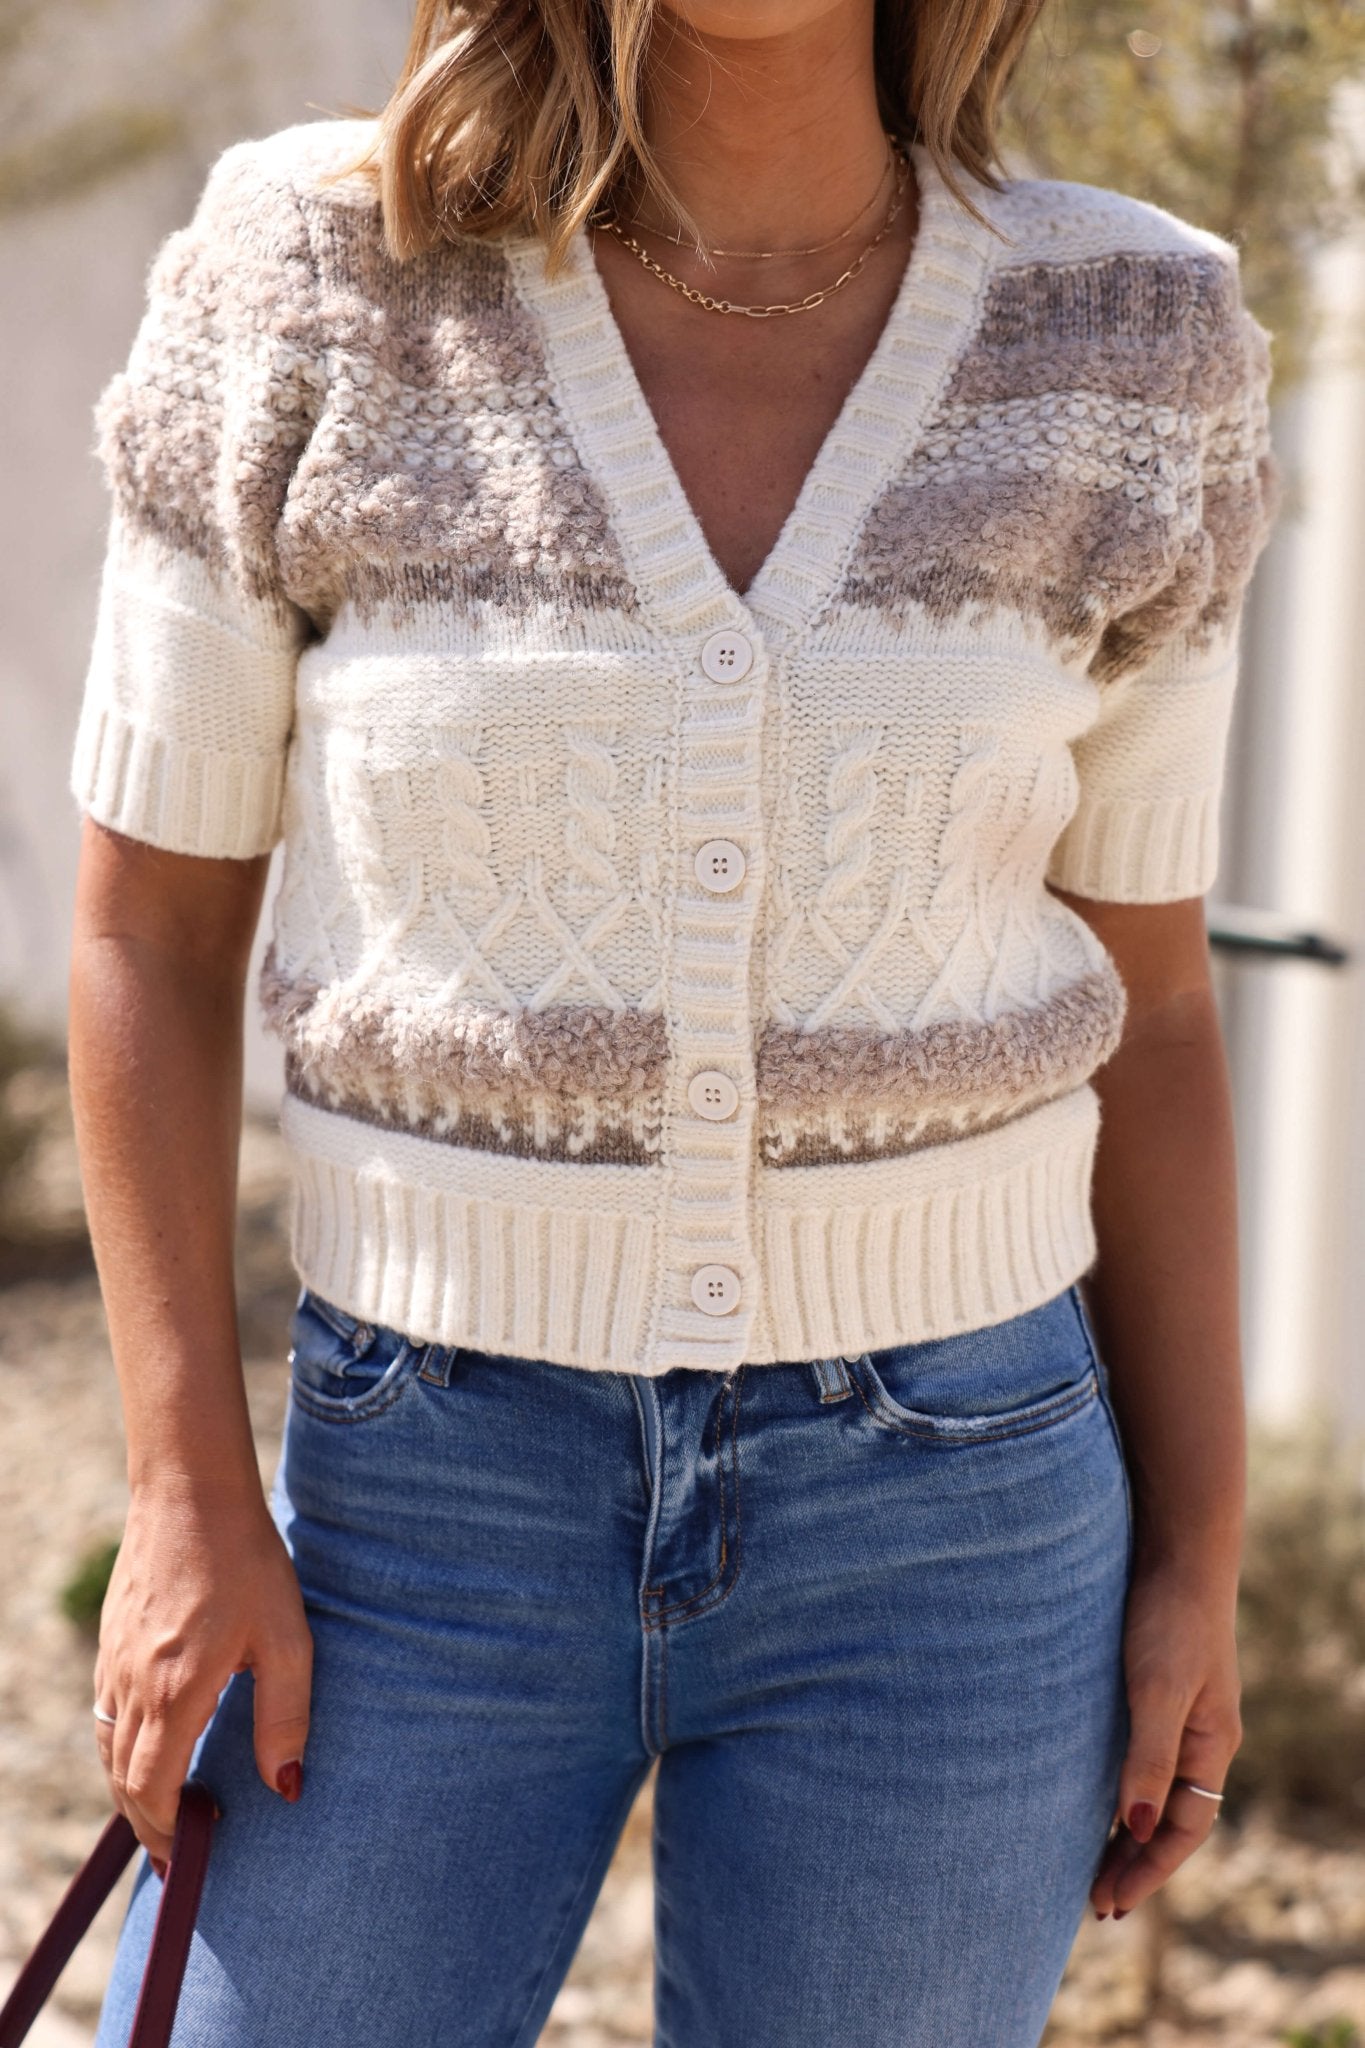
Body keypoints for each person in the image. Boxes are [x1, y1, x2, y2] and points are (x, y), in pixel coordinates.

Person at [66, 0, 1281, 2037]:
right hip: (417, 1501)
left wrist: (1194, 1557)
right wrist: (183, 1488)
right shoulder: (315, 275)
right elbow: (149, 933)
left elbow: (1149, 1013)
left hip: (954, 1521)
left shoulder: (1133, 338)